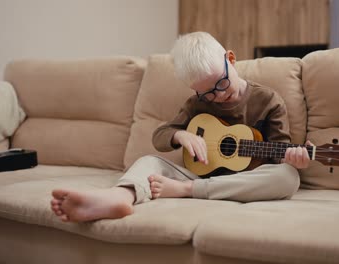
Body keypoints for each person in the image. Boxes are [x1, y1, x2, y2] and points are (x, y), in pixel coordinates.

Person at [50, 32, 311, 222]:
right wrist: (181, 135)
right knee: (149, 162)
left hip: (243, 181)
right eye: (206, 93)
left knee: (287, 177)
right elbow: (159, 136)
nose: (217, 96)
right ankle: (119, 196)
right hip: (200, 174)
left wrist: (294, 158)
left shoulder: (268, 100)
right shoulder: (196, 104)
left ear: (230, 60)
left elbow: (281, 151)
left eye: (221, 84)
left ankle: (187, 192)